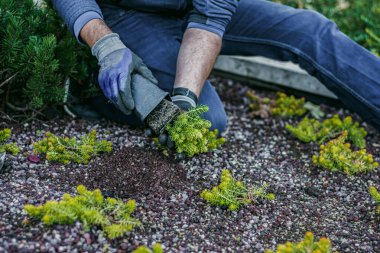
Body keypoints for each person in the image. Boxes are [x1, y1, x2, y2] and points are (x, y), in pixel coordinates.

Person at [53, 0, 380, 134]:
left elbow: (210, 19)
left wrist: (184, 97)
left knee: (309, 31)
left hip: (192, 11)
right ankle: (91, 88)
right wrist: (106, 44)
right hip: (125, 11)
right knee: (209, 121)